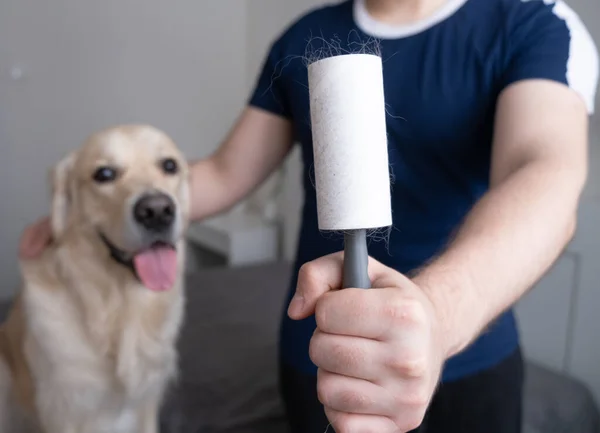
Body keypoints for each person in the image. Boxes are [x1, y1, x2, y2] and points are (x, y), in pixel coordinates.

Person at [19, 0, 598, 432]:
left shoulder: (534, 22)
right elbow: (222, 174)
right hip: (321, 351)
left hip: (471, 357)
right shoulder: (304, 37)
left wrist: (434, 318)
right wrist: (95, 207)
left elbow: (544, 175)